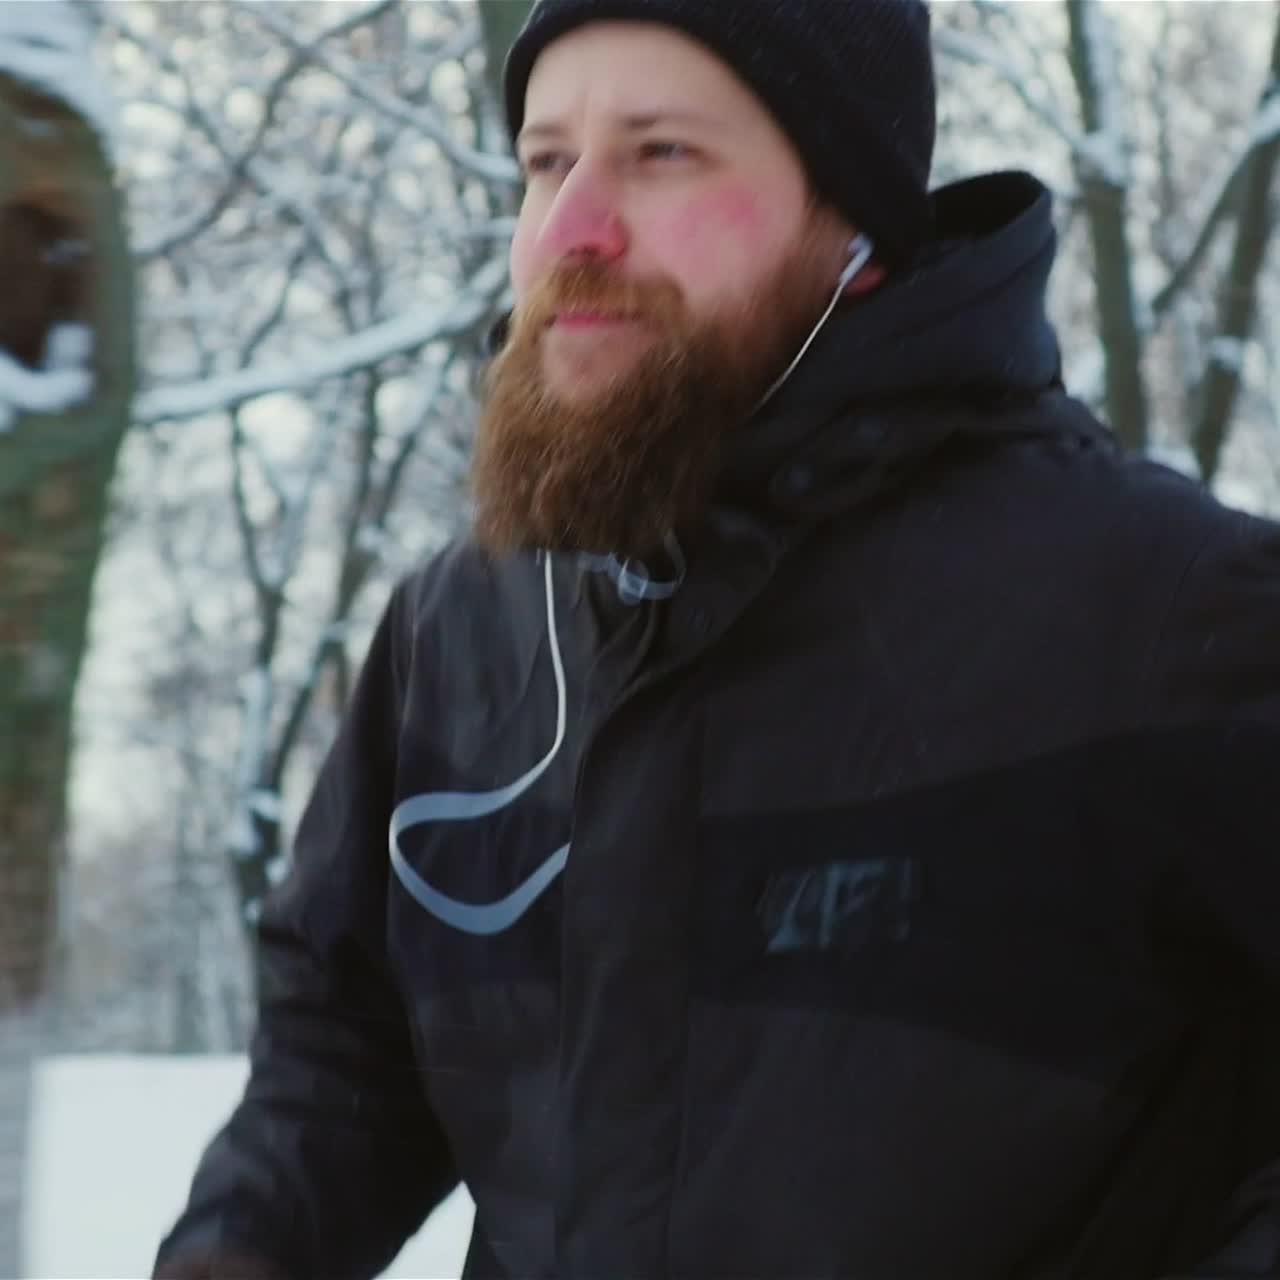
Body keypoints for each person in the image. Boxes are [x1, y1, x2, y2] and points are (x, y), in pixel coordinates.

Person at [155, 1, 1280, 1277]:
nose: (570, 226)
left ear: (853, 221)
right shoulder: (461, 629)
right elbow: (346, 1049)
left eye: (660, 153)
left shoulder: (1162, 610)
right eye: (543, 161)